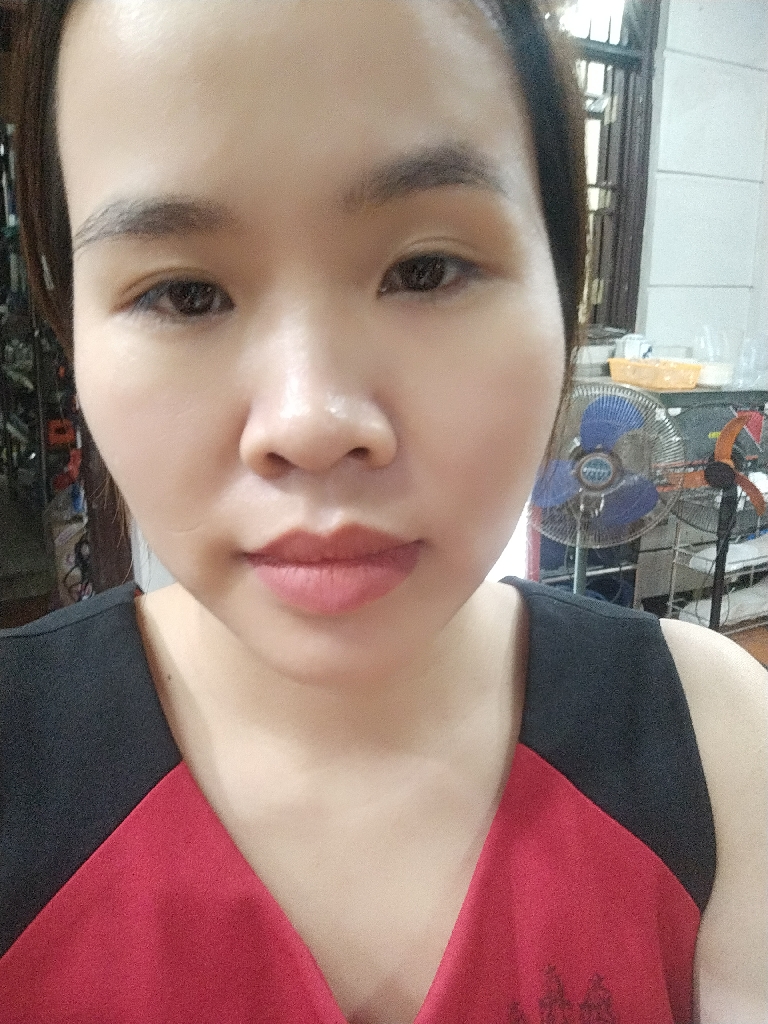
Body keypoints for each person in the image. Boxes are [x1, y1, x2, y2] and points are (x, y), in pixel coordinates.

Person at [0, 1, 766, 1021]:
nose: (313, 424)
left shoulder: (714, 745)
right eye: (184, 294)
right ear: (72, 331)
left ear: (563, 289)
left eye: (424, 270)